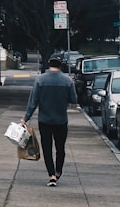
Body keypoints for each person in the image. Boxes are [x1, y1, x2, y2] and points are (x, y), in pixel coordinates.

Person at [21, 53, 79, 187]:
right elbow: (74, 100)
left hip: (44, 120)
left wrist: (25, 118)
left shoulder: (40, 80)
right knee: (60, 148)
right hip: (61, 120)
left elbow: (33, 102)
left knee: (47, 148)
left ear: (49, 63)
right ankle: (58, 171)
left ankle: (51, 175)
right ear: (61, 64)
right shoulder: (67, 80)